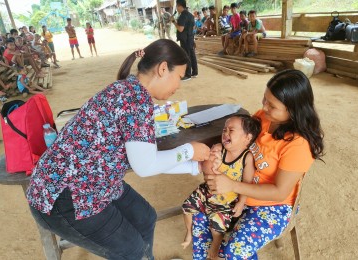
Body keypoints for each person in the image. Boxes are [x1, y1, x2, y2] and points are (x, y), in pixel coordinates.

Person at [26, 39, 211, 260]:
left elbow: (143, 158)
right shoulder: (135, 99)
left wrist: (193, 166)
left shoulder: (129, 89)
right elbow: (145, 166)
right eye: (179, 77)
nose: (178, 86)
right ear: (163, 69)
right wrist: (189, 151)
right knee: (129, 249)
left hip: (91, 182)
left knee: (145, 217)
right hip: (63, 196)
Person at [192, 69, 325, 259]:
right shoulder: (262, 118)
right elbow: (240, 142)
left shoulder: (298, 144)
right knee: (199, 216)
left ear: (293, 110)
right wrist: (220, 148)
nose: (264, 106)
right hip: (239, 193)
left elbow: (279, 192)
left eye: (272, 105)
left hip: (272, 206)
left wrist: (232, 185)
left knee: (232, 252)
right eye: (264, 99)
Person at [181, 114, 261, 259]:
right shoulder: (219, 148)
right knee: (187, 207)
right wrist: (212, 162)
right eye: (224, 130)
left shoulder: (247, 158)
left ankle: (216, 245)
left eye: (231, 130)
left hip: (226, 200)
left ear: (247, 138)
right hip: (206, 192)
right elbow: (207, 171)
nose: (225, 133)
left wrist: (241, 202)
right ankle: (189, 232)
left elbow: (246, 183)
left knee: (217, 226)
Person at [172, 0, 198, 81]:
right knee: (192, 55)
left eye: (176, 6)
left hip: (185, 39)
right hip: (190, 38)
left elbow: (180, 29)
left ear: (179, 6)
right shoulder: (190, 15)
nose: (176, 8)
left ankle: (188, 74)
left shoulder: (183, 15)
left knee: (186, 55)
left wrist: (173, 21)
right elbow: (193, 27)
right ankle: (195, 72)